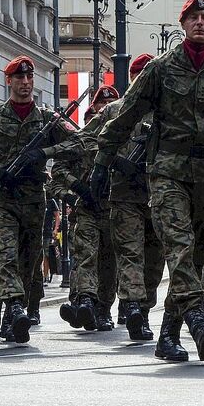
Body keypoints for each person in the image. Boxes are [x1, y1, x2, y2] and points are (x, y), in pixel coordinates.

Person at [89, 0, 204, 361]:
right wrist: (102, 163)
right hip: (166, 171)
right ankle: (197, 319)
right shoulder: (160, 69)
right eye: (193, 17)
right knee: (179, 247)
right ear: (183, 25)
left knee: (195, 256)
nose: (200, 22)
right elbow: (125, 116)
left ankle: (168, 336)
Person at [0, 56, 82, 343]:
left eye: (29, 78)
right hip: (2, 199)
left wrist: (44, 154)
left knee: (30, 260)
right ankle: (13, 308)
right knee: (5, 256)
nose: (25, 83)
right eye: (19, 78)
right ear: (9, 81)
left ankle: (14, 314)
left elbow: (81, 142)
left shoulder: (47, 118)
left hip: (34, 200)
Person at [89, 54, 169, 348]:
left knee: (154, 258)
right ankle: (134, 308)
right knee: (130, 252)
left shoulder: (166, 111)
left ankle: (143, 308)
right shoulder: (113, 111)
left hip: (159, 193)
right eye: (139, 75)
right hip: (124, 194)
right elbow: (87, 140)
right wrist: (112, 162)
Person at [52, 84, 120, 332]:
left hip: (114, 210)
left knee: (109, 262)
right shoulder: (80, 143)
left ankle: (103, 309)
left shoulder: (122, 142)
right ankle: (84, 301)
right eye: (100, 107)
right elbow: (58, 173)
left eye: (108, 106)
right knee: (86, 255)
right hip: (86, 210)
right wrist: (75, 192)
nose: (103, 111)